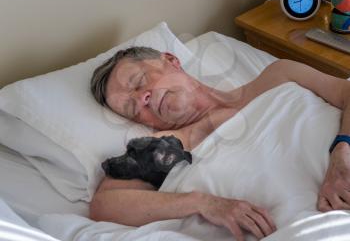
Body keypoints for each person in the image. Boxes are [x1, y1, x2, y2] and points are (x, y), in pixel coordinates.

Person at [89, 46, 350, 241]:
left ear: (171, 60)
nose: (142, 98)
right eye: (132, 108)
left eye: (139, 81)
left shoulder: (279, 76)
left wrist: (342, 148)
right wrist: (203, 202)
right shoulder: (165, 149)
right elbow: (105, 204)